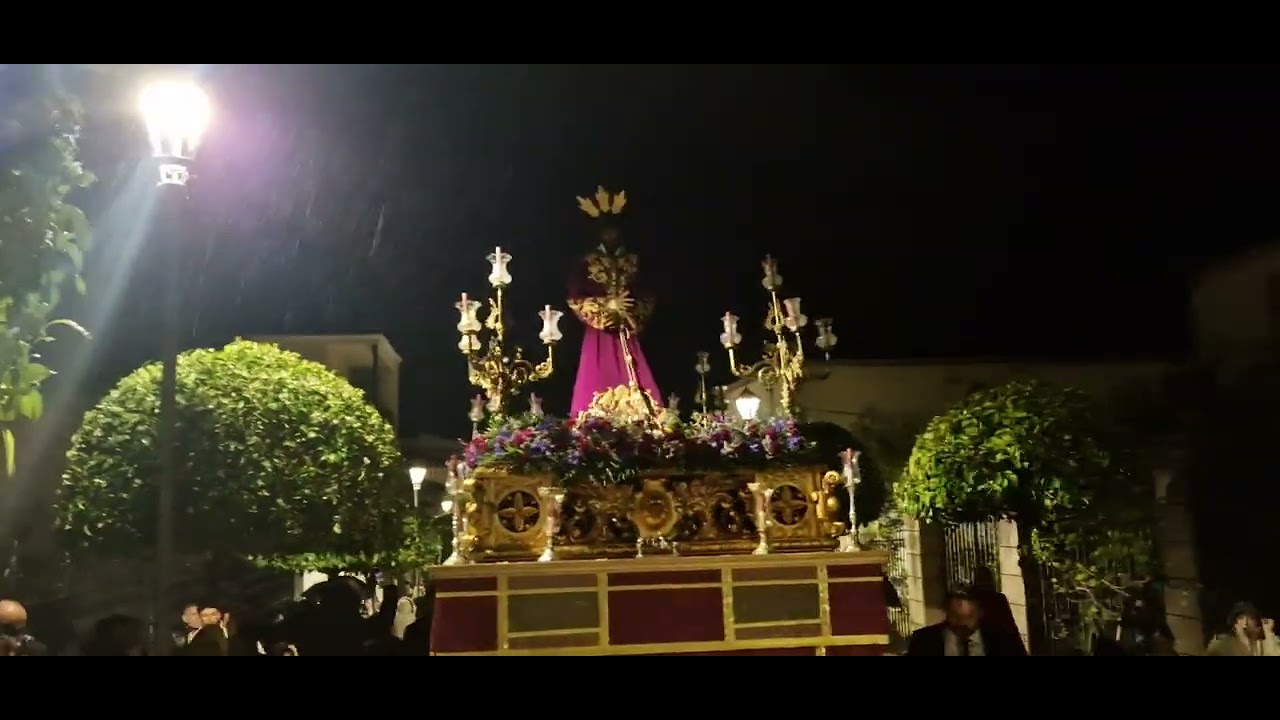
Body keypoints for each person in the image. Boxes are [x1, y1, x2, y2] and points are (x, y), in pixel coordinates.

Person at [906, 588, 1027, 656]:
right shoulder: (923, 641)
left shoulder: (1004, 641)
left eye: (968, 617)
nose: (961, 624)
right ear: (946, 613)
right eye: (956, 617)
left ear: (980, 613)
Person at [1205, 602, 1279, 656]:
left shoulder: (1262, 645)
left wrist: (1269, 632)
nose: (1260, 624)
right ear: (1243, 621)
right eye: (1254, 618)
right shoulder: (1222, 644)